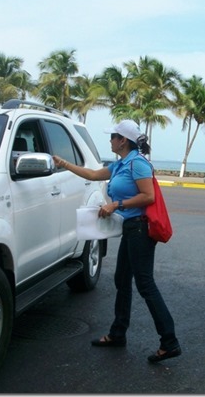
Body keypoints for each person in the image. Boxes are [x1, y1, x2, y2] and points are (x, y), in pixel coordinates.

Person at [53, 119, 181, 363]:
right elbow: (92, 173)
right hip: (131, 229)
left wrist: (116, 204)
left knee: (145, 284)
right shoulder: (121, 164)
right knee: (122, 280)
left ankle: (170, 341)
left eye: (113, 136)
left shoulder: (138, 164)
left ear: (123, 140)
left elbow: (148, 196)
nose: (110, 140)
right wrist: (65, 164)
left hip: (141, 231)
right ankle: (118, 333)